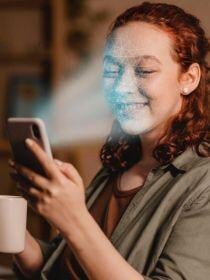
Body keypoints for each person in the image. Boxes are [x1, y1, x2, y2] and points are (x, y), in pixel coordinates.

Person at [9, 2, 210, 280]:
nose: (122, 87)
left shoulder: (203, 184)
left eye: (144, 71)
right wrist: (10, 230)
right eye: (112, 71)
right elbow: (64, 268)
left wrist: (75, 219)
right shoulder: (117, 167)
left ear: (189, 78)